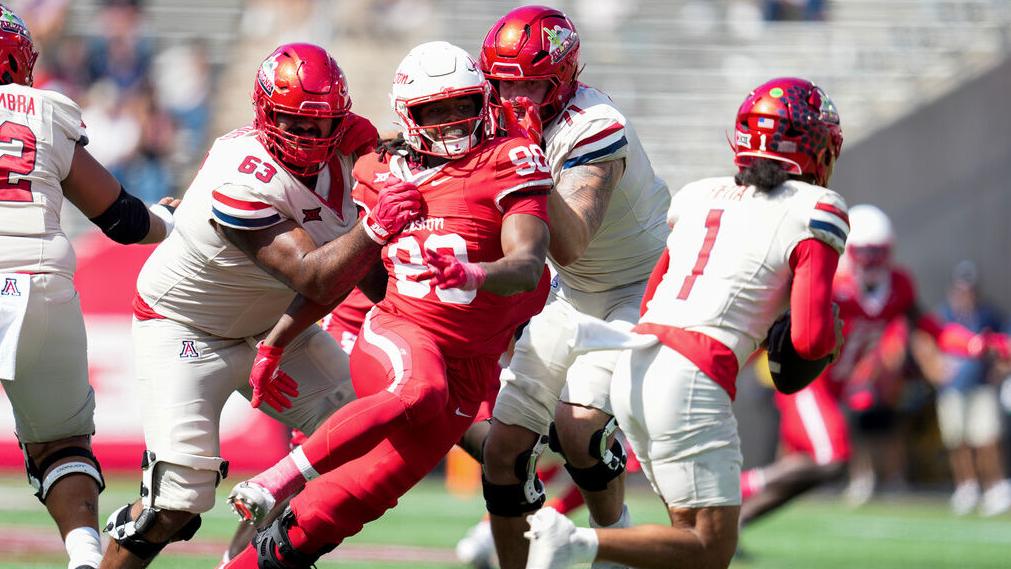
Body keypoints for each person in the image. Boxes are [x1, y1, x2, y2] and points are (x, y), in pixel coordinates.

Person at [220, 41, 555, 568]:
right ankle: (275, 480)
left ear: (483, 102)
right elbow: (345, 271)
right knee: (418, 389)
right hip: (399, 330)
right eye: (434, 110)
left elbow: (529, 263)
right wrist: (276, 341)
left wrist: (476, 273)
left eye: (462, 105)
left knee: (338, 507)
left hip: (469, 366)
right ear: (408, 114)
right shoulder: (380, 168)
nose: (450, 120)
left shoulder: (509, 158)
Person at [98, 42, 424, 568]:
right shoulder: (241, 174)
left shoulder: (350, 143)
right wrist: (375, 226)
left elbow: (363, 260)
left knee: (357, 442)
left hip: (275, 328)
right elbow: (314, 275)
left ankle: (243, 562)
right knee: (177, 502)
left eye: (322, 121)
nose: (311, 134)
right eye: (295, 121)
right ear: (266, 114)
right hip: (185, 329)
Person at [523, 76, 848, 569]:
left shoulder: (700, 195)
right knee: (711, 546)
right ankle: (575, 541)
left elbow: (655, 292)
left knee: (686, 540)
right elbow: (809, 337)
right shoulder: (818, 208)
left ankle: (592, 544)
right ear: (818, 147)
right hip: (693, 375)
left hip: (637, 367)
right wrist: (828, 340)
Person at [471, 7, 671, 569]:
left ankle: (614, 545)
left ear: (561, 79)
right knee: (504, 451)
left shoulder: (595, 124)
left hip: (639, 285)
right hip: (574, 291)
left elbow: (572, 242)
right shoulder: (495, 116)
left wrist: (527, 156)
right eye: (503, 82)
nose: (514, 95)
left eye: (531, 83)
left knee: (579, 428)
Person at [0, 5, 177, 568]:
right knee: (62, 444)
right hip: (41, 283)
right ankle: (84, 559)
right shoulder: (44, 111)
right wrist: (168, 220)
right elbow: (121, 218)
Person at [737, 204, 993, 527]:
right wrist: (740, 362)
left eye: (878, 252)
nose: (871, 260)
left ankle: (739, 520)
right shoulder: (830, 282)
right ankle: (735, 488)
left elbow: (934, 330)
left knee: (816, 467)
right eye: (865, 252)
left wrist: (976, 343)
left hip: (835, 390)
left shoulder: (899, 286)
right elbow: (775, 321)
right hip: (807, 383)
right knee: (832, 459)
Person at [931, 260, 1011, 516]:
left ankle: (995, 487)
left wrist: (999, 370)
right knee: (958, 441)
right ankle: (967, 486)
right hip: (952, 388)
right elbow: (926, 342)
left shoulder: (989, 315)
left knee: (987, 438)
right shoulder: (943, 315)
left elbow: (1005, 345)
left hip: (980, 386)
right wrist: (933, 368)